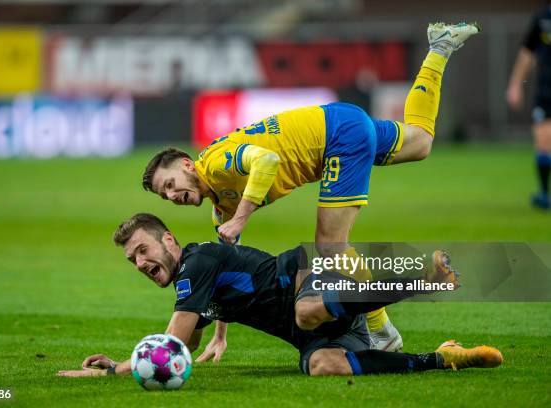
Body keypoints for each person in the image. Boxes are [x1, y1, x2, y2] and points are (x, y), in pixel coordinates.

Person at [141, 22, 480, 352]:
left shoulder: (215, 165)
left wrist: (242, 218)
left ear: (188, 165)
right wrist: (220, 334)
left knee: (331, 245)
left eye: (170, 183)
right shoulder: (220, 206)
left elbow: (266, 162)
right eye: (163, 194)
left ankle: (382, 333)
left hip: (337, 137)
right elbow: (223, 270)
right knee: (419, 142)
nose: (171, 196)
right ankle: (439, 47)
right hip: (338, 121)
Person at [57, 213, 502, 378]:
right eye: (131, 260)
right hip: (317, 325)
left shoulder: (195, 264)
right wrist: (218, 335)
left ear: (169, 240)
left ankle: (425, 278)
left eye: (142, 250)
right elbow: (186, 345)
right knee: (322, 365)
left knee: (307, 312)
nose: (139, 263)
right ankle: (442, 359)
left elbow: (172, 342)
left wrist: (117, 371)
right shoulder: (194, 279)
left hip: (310, 273)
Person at [506, 1, 551, 210]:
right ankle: (544, 193)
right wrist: (516, 85)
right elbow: (527, 53)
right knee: (543, 139)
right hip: (546, 90)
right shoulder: (542, 19)